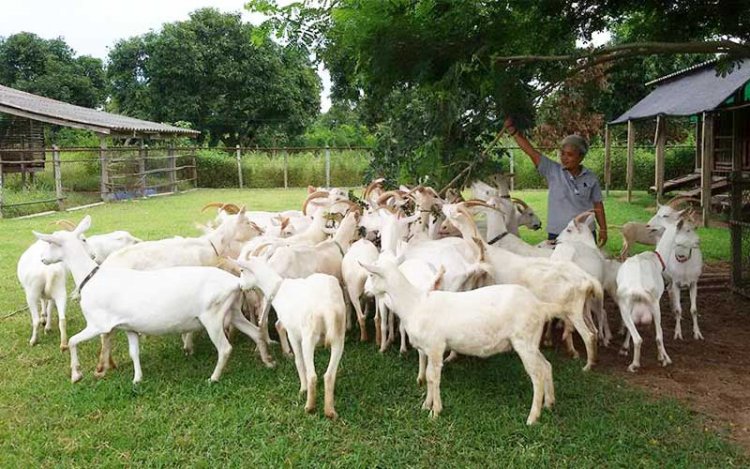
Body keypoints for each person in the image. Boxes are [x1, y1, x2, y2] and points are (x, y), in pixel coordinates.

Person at [503, 117, 608, 247]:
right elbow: (531, 151)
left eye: (570, 154)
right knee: (559, 266)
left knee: (584, 266)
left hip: (584, 232)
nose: (564, 158)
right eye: (562, 153)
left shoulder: (591, 177)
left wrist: (603, 229)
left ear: (581, 157)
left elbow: (597, 205)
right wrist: (513, 132)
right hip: (558, 233)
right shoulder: (552, 170)